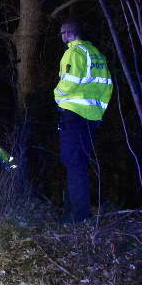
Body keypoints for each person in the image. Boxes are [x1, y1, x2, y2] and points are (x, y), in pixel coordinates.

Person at [54, 20, 113, 223]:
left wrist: (56, 96)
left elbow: (69, 81)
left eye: (62, 33)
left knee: (73, 163)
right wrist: (99, 113)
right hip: (91, 118)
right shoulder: (97, 54)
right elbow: (107, 86)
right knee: (79, 163)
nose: (61, 37)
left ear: (69, 34)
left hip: (74, 115)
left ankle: (79, 217)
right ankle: (73, 212)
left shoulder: (74, 53)